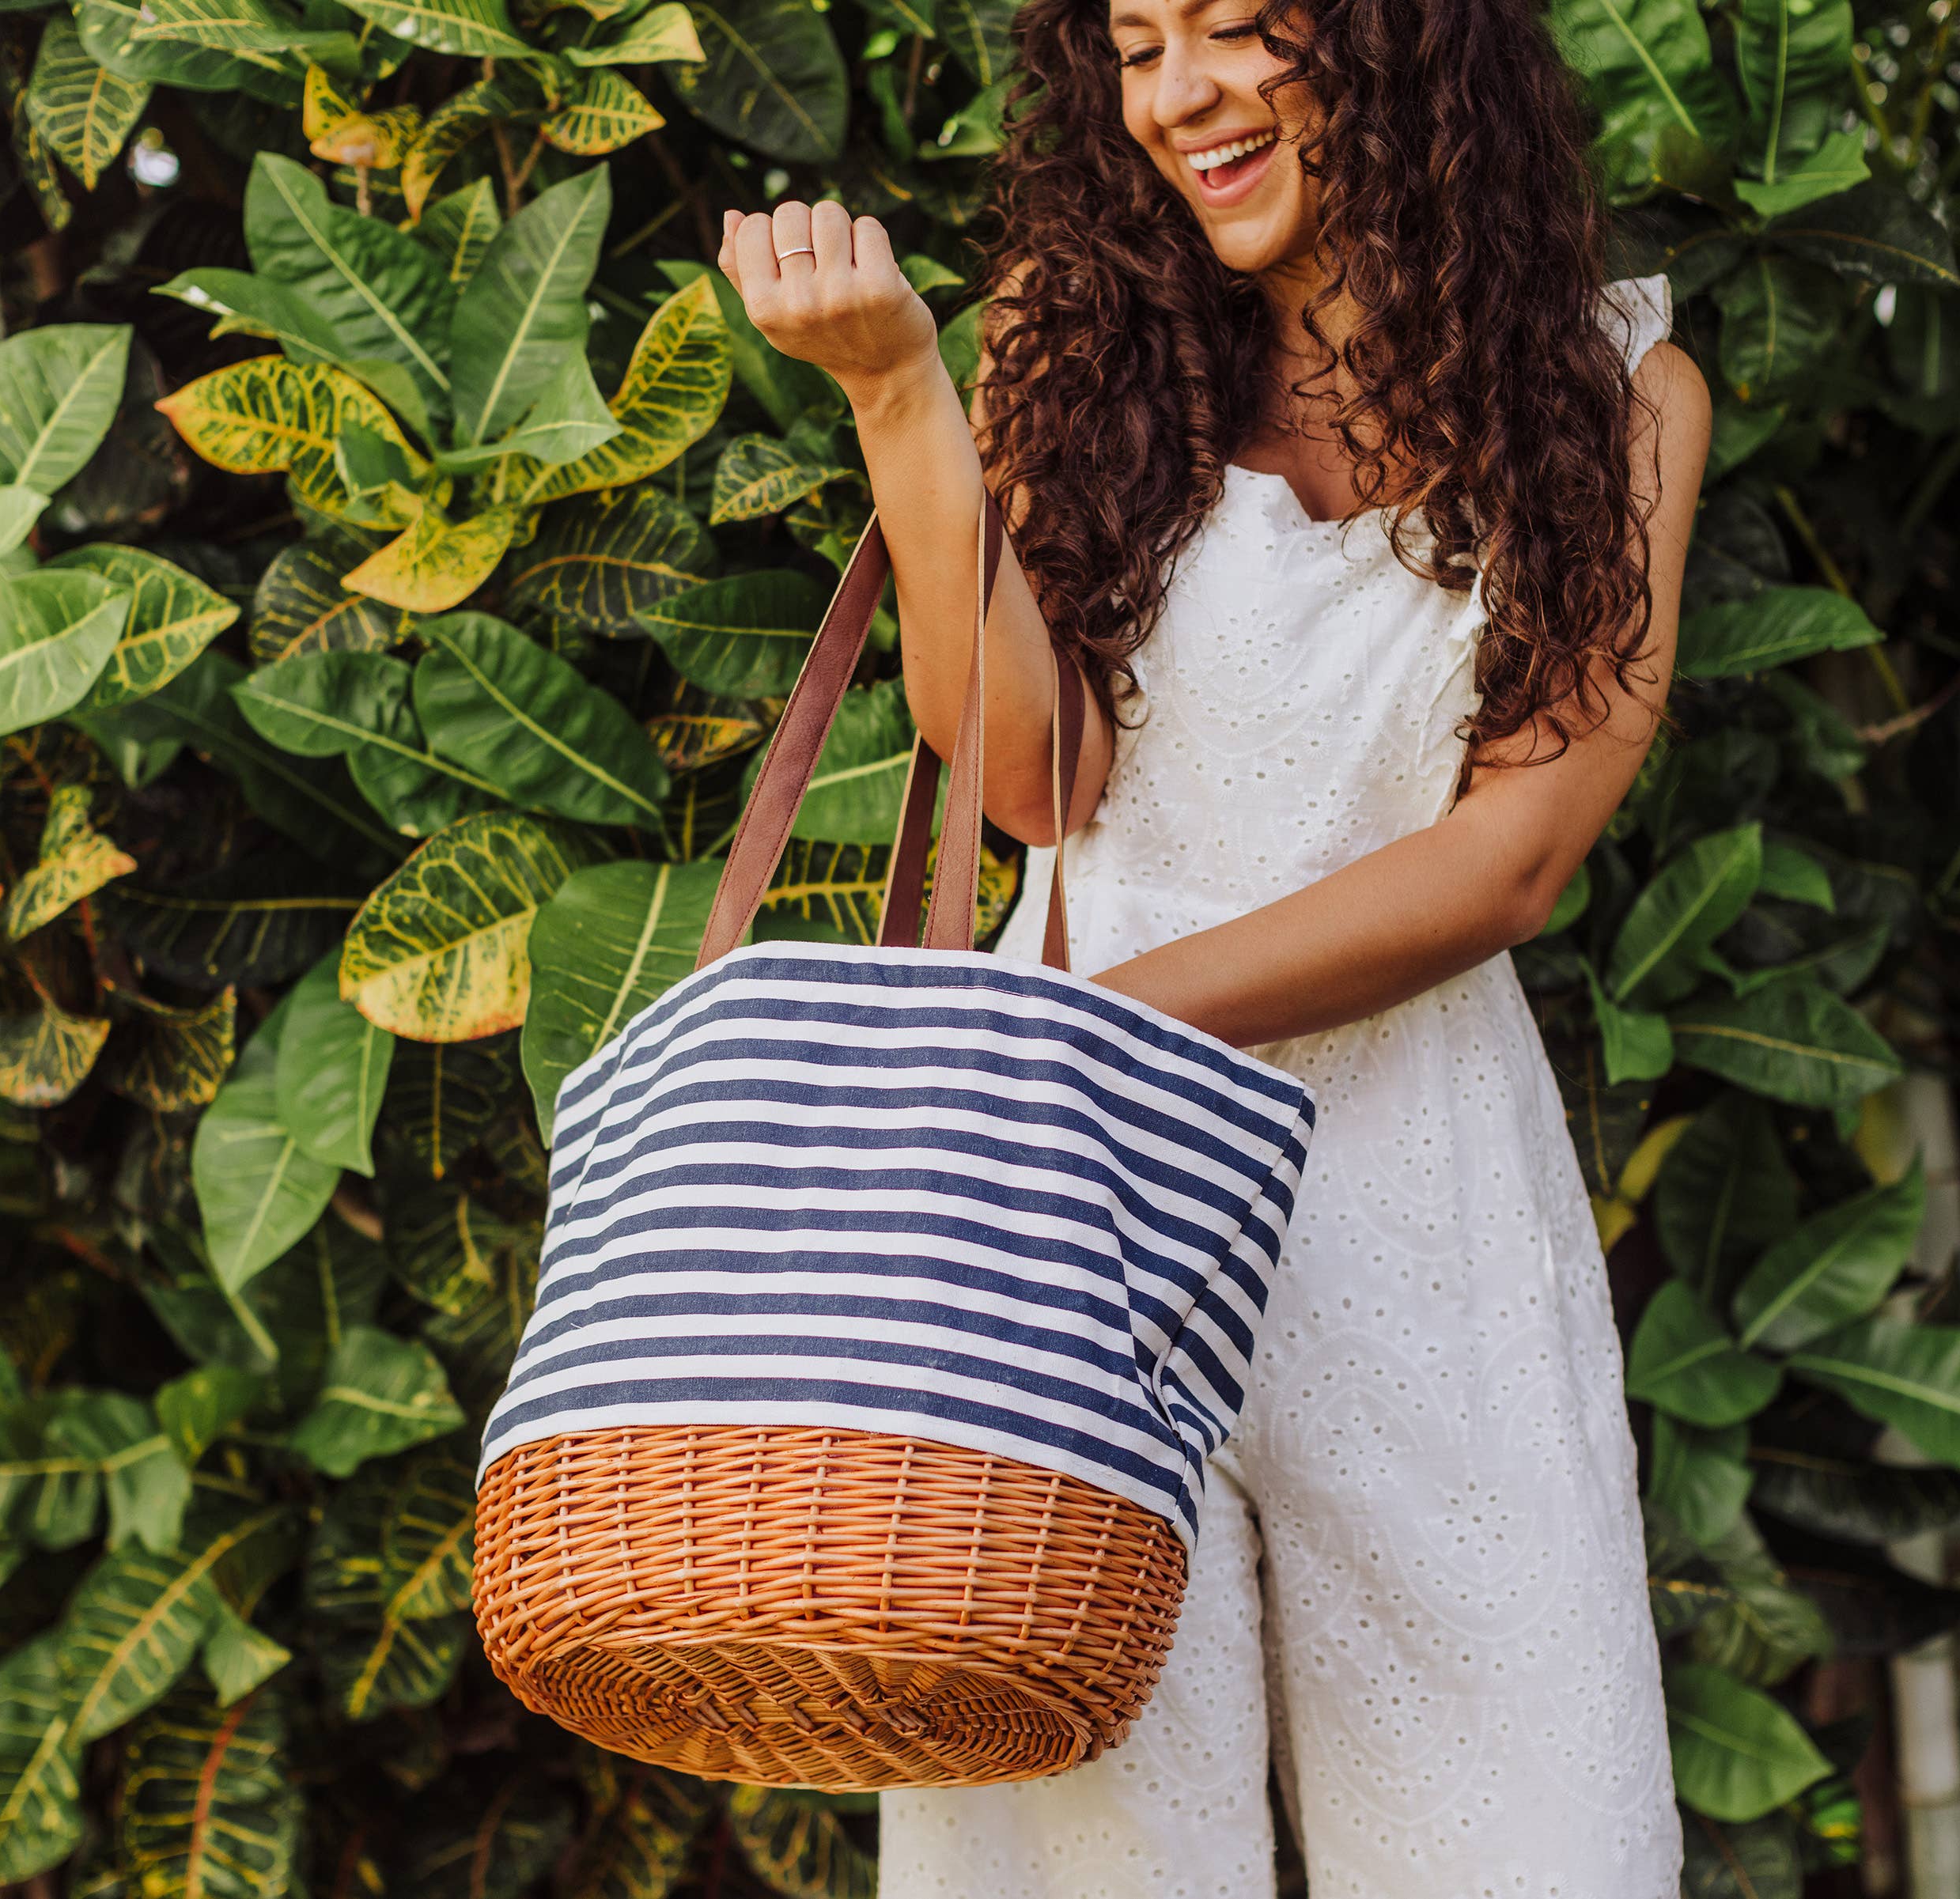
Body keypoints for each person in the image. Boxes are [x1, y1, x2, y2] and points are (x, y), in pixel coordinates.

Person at [714, 0, 1709, 1887]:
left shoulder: (1619, 394)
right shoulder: (1072, 332)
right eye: (1139, 44)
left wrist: (1092, 1030)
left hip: (1418, 1198)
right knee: (1076, 1843)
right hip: (1078, 1221)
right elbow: (1029, 775)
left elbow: (1511, 857)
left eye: (1241, 27)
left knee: (1525, 1830)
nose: (1181, 98)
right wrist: (898, 392)